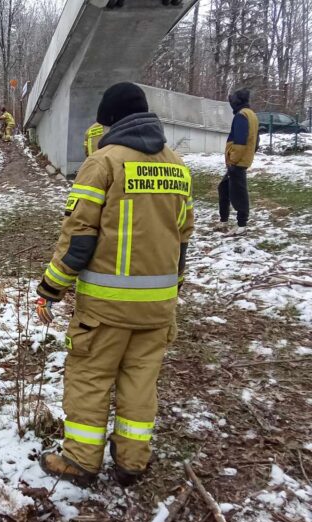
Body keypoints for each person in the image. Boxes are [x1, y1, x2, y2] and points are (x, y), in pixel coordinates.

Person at [34, 82, 194, 486]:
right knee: (140, 382)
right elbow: (183, 237)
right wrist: (173, 289)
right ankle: (132, 462)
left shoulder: (104, 163)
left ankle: (81, 461)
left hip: (106, 309)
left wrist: (51, 287)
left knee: (90, 379)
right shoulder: (177, 164)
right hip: (159, 307)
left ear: (110, 121)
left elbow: (79, 237)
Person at [217, 88, 258, 236]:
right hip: (241, 160)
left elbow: (240, 141)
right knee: (224, 187)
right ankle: (224, 221)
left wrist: (233, 161)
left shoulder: (241, 116)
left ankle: (241, 225)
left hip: (237, 162)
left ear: (237, 102)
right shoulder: (252, 115)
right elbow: (256, 141)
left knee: (238, 193)